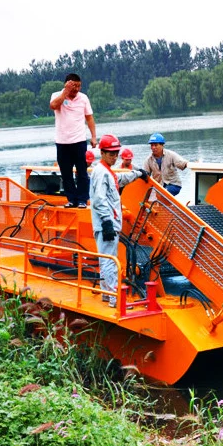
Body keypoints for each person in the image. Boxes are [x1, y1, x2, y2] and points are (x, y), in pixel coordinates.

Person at [89, 134, 148, 306]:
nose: (114, 157)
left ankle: (107, 293)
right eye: (111, 154)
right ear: (102, 152)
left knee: (105, 259)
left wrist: (137, 174)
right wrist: (107, 221)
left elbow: (119, 180)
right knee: (109, 260)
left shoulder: (107, 172)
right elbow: (99, 199)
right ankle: (116, 298)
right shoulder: (101, 173)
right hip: (107, 224)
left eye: (116, 153)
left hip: (107, 223)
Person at [50, 73, 97, 209]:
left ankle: (82, 199)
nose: (76, 89)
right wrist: (65, 92)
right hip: (62, 141)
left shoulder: (83, 98)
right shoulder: (57, 95)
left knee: (82, 172)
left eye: (78, 86)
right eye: (73, 85)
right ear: (66, 84)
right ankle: (71, 199)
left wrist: (93, 136)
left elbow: (89, 118)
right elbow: (53, 106)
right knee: (66, 173)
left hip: (79, 141)